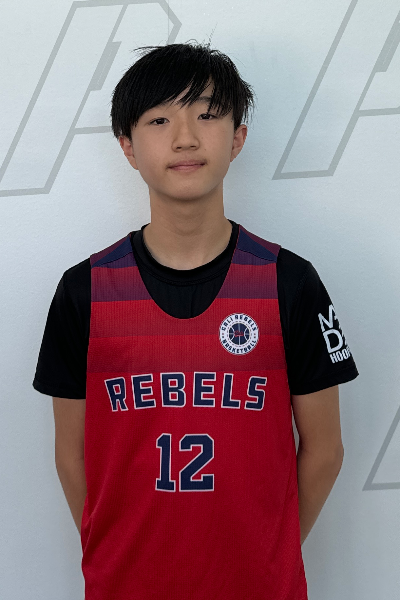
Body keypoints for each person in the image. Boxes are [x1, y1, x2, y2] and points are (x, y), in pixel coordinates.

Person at [33, 41, 359, 600]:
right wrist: (112, 551)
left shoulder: (290, 283)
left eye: (207, 115)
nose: (185, 137)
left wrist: (268, 550)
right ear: (128, 146)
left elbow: (325, 450)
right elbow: (72, 455)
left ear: (237, 138)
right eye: (159, 120)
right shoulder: (83, 292)